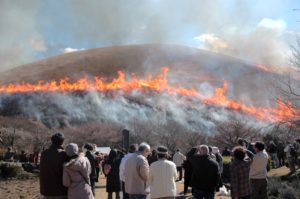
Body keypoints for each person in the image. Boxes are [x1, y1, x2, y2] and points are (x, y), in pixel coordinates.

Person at [40, 133, 68, 199]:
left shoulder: (44, 154)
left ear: (52, 141)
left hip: (46, 189)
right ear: (62, 142)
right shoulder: (64, 154)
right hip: (60, 190)